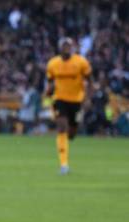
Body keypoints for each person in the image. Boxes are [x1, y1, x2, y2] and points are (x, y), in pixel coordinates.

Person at [45, 37, 92, 175]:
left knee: (72, 133)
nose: (66, 48)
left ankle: (70, 137)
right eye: (64, 46)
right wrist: (48, 93)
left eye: (69, 46)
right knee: (61, 127)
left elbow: (90, 81)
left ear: (72, 47)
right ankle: (64, 164)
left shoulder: (81, 62)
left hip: (76, 100)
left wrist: (87, 98)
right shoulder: (53, 64)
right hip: (60, 99)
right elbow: (50, 83)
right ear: (60, 48)